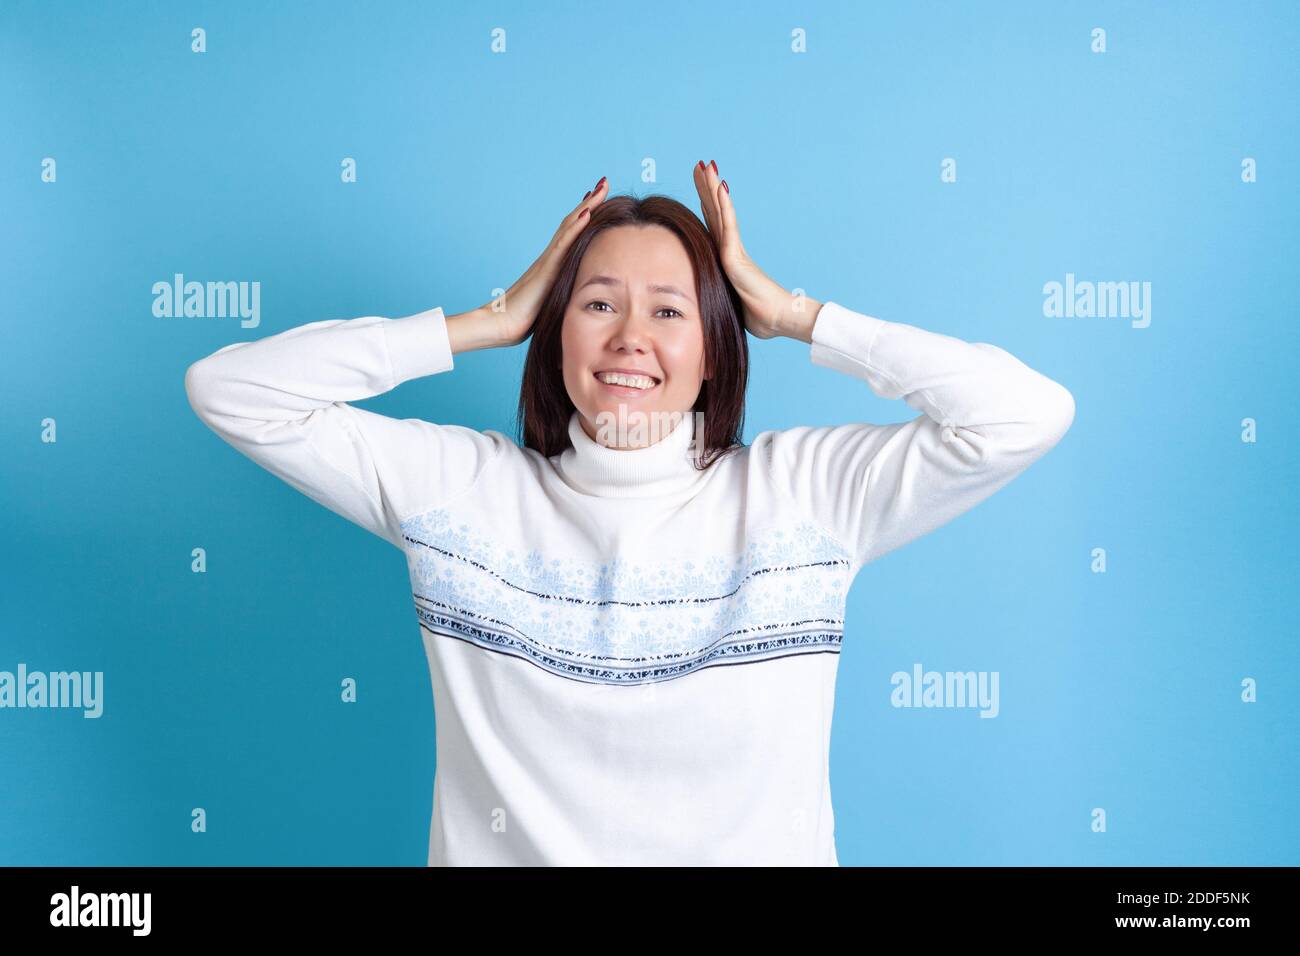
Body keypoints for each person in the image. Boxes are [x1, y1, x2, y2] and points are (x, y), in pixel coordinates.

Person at [184, 159, 1075, 866]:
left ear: (717, 349)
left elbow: (1023, 414)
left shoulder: (802, 498)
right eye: (598, 304)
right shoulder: (461, 495)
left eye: (670, 311)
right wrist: (485, 321)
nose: (629, 340)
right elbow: (231, 391)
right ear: (554, 331)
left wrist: (796, 313)